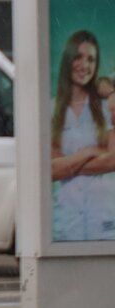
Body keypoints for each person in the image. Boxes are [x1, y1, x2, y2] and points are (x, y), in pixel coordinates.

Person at [50, 29, 115, 241]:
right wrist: (91, 151)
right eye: (78, 57)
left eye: (91, 59)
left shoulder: (106, 106)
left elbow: (113, 160)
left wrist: (68, 165)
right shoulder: (52, 110)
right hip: (68, 222)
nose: (84, 65)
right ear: (68, 59)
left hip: (104, 221)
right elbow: (50, 170)